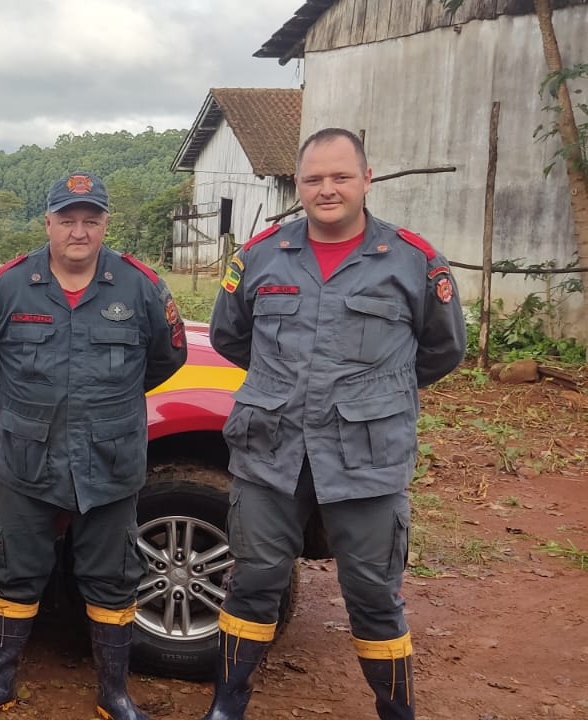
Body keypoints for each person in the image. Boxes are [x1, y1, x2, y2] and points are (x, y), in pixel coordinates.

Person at [201, 128, 466, 720]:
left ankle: (395, 712)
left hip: (366, 456)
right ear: (299, 184)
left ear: (366, 180)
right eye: (314, 178)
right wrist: (286, 384)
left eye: (341, 176)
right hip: (271, 450)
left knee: (373, 594)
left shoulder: (413, 261)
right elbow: (231, 335)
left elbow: (441, 350)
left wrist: (371, 394)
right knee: (254, 582)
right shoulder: (261, 255)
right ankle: (227, 705)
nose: (327, 189)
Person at [0, 172, 187, 720]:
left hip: (109, 459)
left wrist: (103, 404)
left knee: (113, 576)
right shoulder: (7, 286)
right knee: (15, 569)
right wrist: (31, 400)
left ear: (105, 223)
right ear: (49, 223)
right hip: (27, 456)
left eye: (91, 219)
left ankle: (114, 694)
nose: (78, 231)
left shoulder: (140, 286)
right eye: (67, 219)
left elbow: (166, 358)